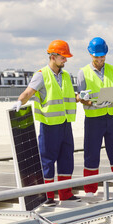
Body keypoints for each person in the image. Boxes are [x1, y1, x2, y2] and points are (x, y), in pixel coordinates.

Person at [12, 40, 80, 206]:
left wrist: (81, 98)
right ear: (53, 56)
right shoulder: (41, 74)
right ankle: (48, 196)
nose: (66, 60)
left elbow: (68, 98)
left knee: (66, 160)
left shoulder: (65, 76)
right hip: (49, 126)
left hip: (65, 123)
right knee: (48, 161)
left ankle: (65, 193)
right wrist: (20, 101)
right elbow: (29, 91)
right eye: (63, 57)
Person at [76, 37, 113, 197]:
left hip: (112, 117)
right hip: (94, 119)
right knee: (92, 153)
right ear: (90, 55)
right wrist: (90, 101)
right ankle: (90, 190)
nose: (100, 60)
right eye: (96, 57)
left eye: (102, 57)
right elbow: (81, 95)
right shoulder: (83, 72)